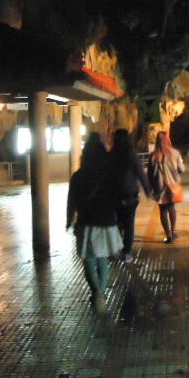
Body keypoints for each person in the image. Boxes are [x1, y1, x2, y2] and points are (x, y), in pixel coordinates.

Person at [66, 132, 122, 314]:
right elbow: (116, 198)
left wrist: (69, 219)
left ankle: (97, 293)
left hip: (87, 222)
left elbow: (72, 201)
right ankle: (101, 293)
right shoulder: (109, 174)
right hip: (106, 222)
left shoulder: (78, 176)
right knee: (102, 258)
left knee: (89, 259)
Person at [109, 129, 151, 264]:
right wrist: (148, 190)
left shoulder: (110, 155)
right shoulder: (131, 155)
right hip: (130, 195)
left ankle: (117, 248)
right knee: (129, 224)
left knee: (117, 222)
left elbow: (104, 175)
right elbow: (141, 173)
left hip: (114, 195)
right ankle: (127, 252)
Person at [148, 131, 185, 243]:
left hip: (159, 187)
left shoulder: (153, 156)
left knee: (163, 210)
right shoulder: (175, 153)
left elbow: (149, 174)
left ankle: (168, 235)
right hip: (172, 186)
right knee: (171, 207)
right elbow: (181, 169)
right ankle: (173, 232)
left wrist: (151, 187)